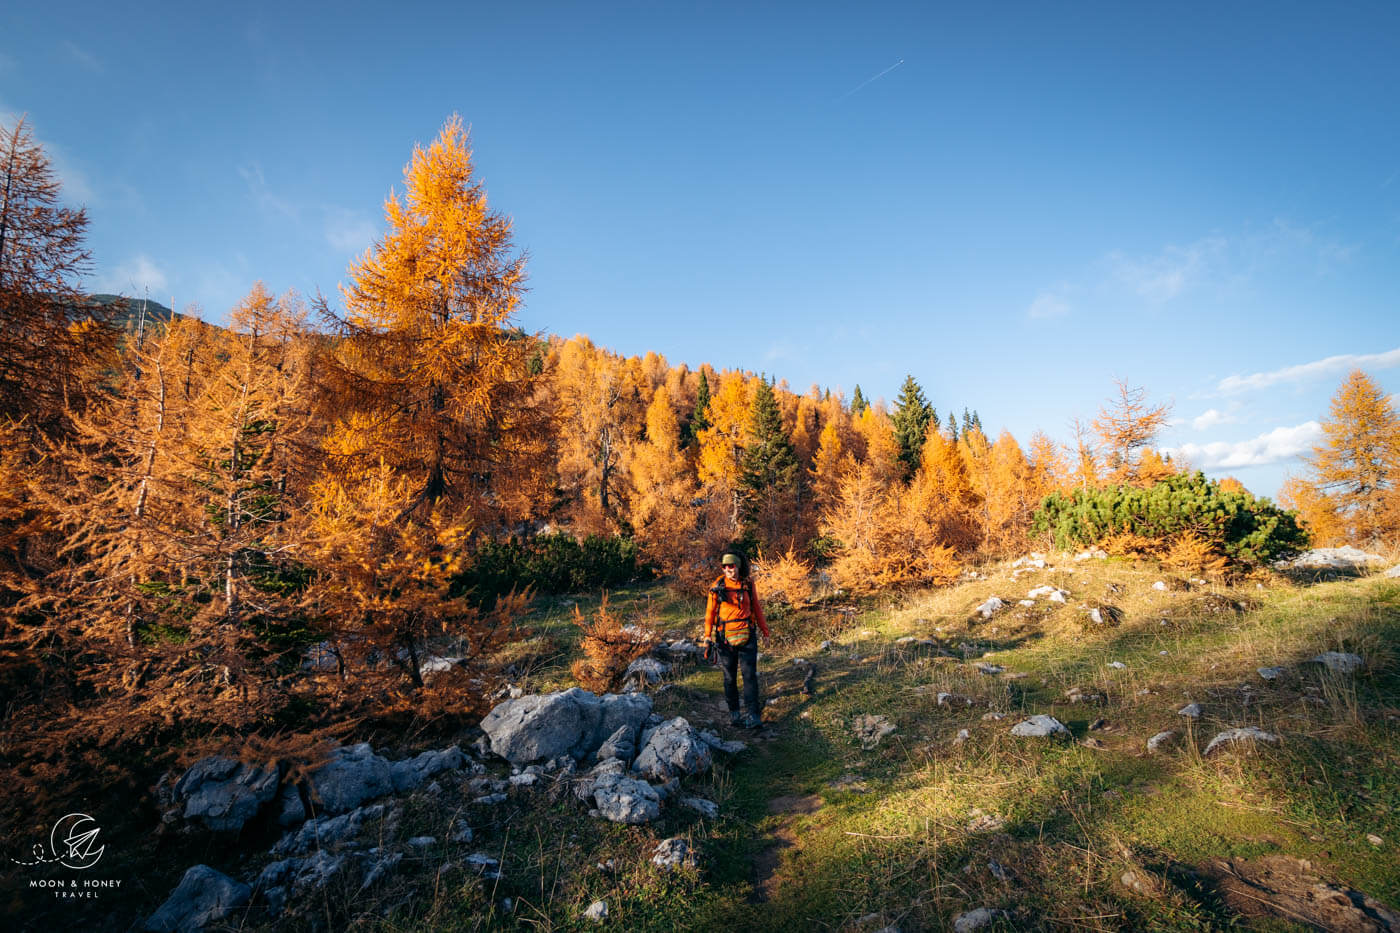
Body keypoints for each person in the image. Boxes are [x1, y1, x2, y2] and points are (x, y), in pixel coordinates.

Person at [703, 550, 769, 729]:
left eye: (731, 566)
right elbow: (710, 613)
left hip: (747, 634)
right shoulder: (717, 586)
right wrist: (707, 636)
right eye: (724, 566)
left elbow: (756, 607)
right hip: (724, 638)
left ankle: (754, 715)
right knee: (729, 677)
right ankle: (734, 713)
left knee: (749, 676)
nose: (728, 569)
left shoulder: (747, 584)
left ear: (738, 566)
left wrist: (765, 632)